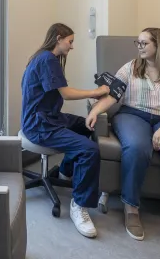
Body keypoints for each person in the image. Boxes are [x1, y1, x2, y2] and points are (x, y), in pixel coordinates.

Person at [86, 27, 160, 246]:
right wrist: (95, 110)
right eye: (138, 43)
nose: (139, 47)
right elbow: (113, 96)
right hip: (133, 115)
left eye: (144, 43)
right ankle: (131, 208)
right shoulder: (130, 68)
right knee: (136, 148)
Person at [21, 23, 110, 239]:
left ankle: (65, 171)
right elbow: (67, 94)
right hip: (39, 125)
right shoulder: (47, 60)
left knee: (85, 126)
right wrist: (97, 91)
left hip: (49, 117)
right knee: (89, 150)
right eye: (70, 41)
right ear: (59, 38)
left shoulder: (44, 57)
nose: (72, 47)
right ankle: (79, 206)